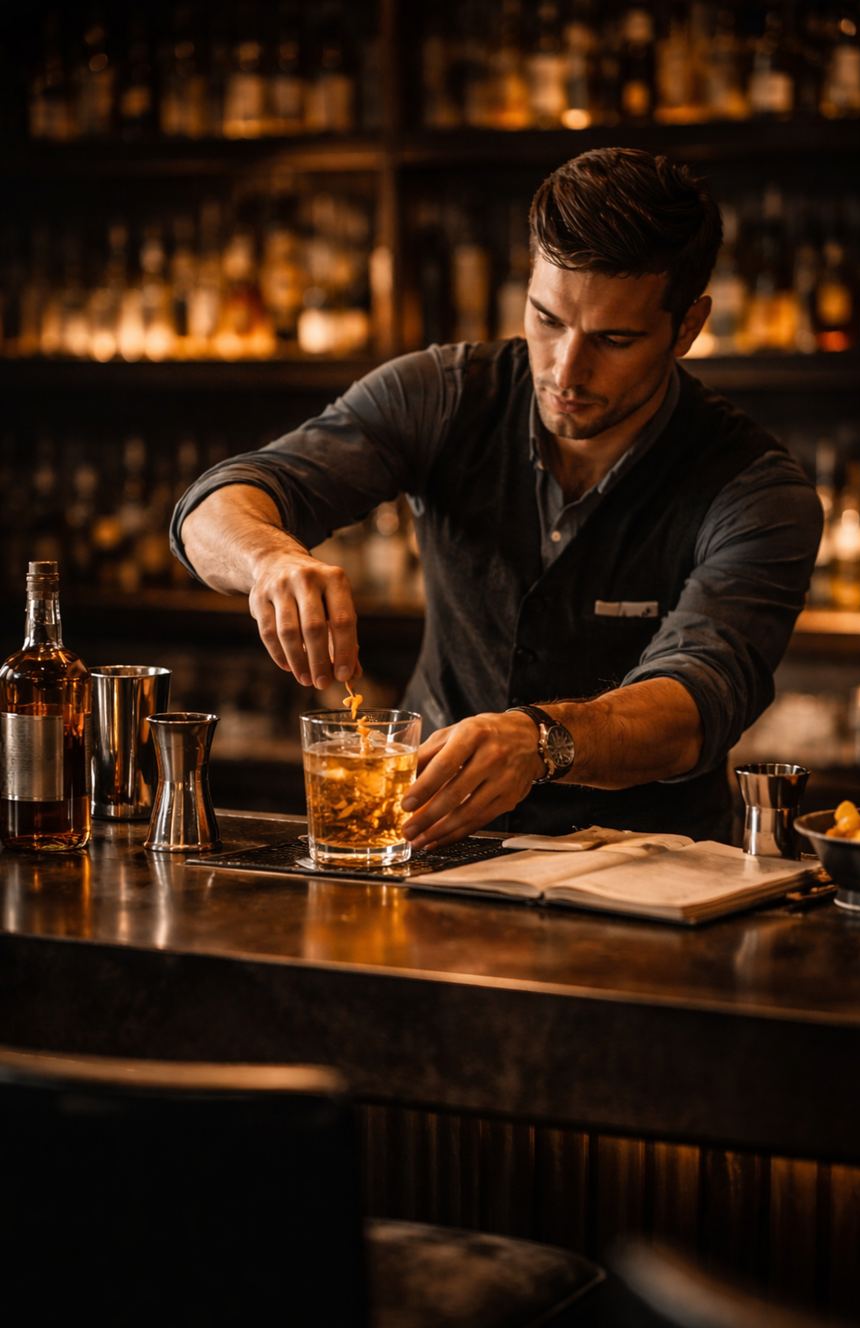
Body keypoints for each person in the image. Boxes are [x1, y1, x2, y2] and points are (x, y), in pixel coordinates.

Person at [172, 147, 822, 849]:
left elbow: (698, 700)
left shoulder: (754, 487)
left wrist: (540, 741)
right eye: (546, 319)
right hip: (439, 852)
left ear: (688, 327)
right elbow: (213, 508)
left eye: (614, 338)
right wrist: (269, 559)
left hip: (647, 883)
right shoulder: (445, 393)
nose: (566, 368)